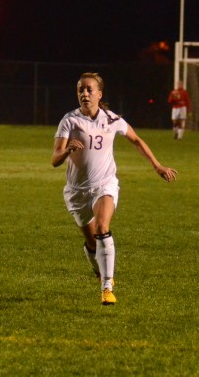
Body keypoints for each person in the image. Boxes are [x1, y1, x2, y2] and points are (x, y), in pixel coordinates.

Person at [52, 72, 177, 305]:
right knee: (91, 243)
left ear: (100, 94)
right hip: (77, 191)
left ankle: (107, 286)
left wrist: (157, 165)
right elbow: (54, 159)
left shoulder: (112, 119)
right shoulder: (69, 121)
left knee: (102, 226)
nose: (85, 94)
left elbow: (137, 140)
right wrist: (67, 150)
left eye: (89, 89)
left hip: (104, 184)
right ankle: (100, 271)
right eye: (81, 90)